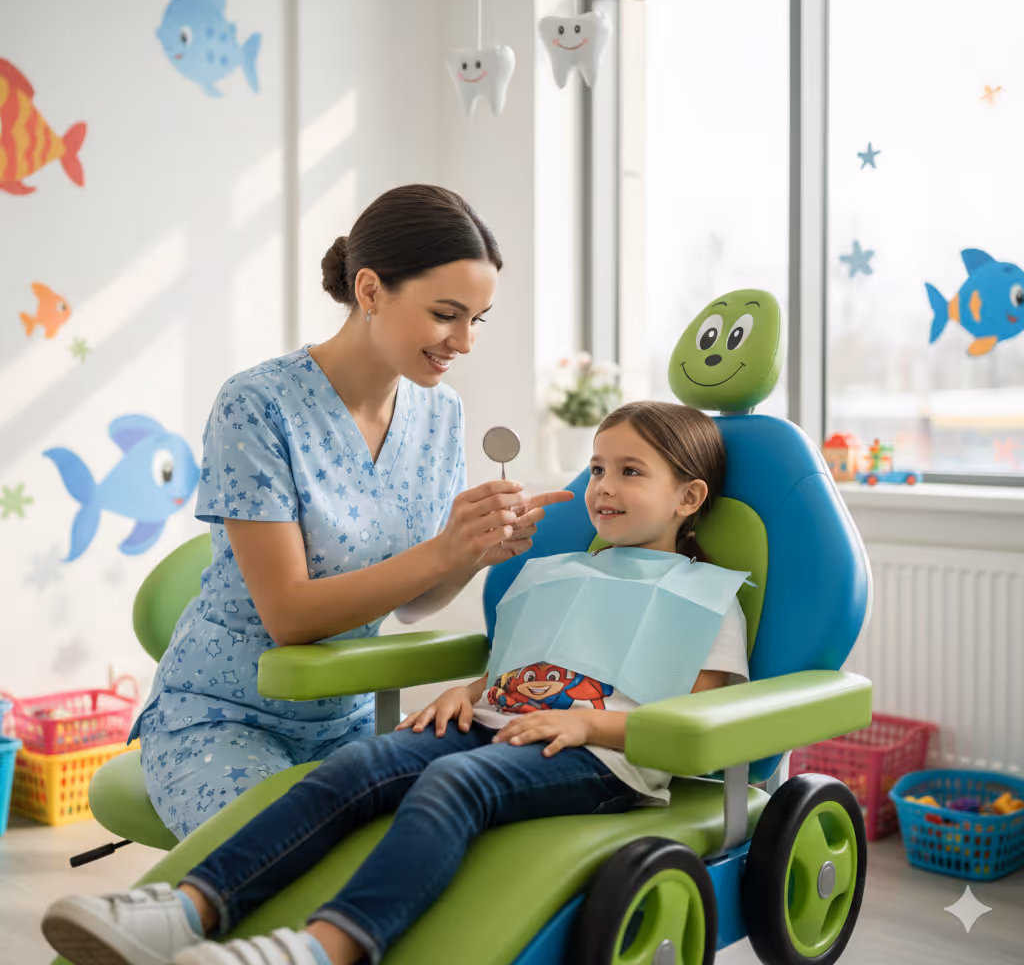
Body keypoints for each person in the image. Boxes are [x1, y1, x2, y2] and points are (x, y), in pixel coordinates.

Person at [43, 402, 750, 965]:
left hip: (603, 761)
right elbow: (528, 670)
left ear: (688, 496)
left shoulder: (707, 598)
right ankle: (189, 908)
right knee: (360, 763)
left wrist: (588, 725)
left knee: (454, 785)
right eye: (597, 467)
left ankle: (325, 947)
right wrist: (469, 693)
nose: (602, 486)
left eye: (631, 472)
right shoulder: (562, 572)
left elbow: (698, 723)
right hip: (498, 724)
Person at [128, 184, 572, 840]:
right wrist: (443, 551)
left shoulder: (441, 413)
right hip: (223, 717)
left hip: (349, 721)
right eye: (447, 314)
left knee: (421, 858)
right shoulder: (257, 404)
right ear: (370, 291)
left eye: (477, 319)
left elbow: (412, 605)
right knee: (286, 866)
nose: (464, 343)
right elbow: (290, 617)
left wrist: (473, 554)